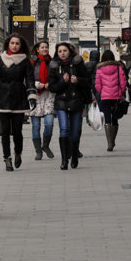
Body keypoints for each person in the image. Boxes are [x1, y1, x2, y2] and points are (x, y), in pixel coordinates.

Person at [0, 34, 36, 171]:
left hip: (19, 97)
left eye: (17, 43)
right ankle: (7, 158)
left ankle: (18, 152)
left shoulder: (25, 61)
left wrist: (31, 95)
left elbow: (29, 79)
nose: (14, 46)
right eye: (12, 43)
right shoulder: (0, 59)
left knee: (17, 131)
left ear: (21, 46)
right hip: (3, 97)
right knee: (4, 131)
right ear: (8, 44)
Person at [48, 41, 90, 170]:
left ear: (69, 51)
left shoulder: (77, 63)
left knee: (75, 132)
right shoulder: (54, 66)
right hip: (61, 102)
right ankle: (64, 159)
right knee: (64, 129)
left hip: (76, 101)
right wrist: (63, 81)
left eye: (64, 51)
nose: (62, 53)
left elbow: (87, 81)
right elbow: (52, 87)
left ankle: (75, 155)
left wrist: (77, 80)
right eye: (60, 51)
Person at [94, 50, 129, 151]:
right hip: (116, 97)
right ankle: (113, 141)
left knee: (107, 118)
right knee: (115, 118)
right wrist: (121, 93)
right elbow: (123, 83)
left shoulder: (100, 69)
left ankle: (109, 143)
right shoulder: (119, 68)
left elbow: (98, 85)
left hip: (105, 97)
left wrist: (102, 92)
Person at [29, 40, 56, 160]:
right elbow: (27, 79)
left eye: (46, 47)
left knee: (49, 123)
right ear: (37, 49)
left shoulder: (53, 62)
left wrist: (50, 83)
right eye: (42, 47)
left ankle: (45, 145)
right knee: (36, 126)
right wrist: (37, 84)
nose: (45, 49)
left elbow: (56, 77)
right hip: (36, 96)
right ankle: (38, 150)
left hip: (49, 95)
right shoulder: (32, 62)